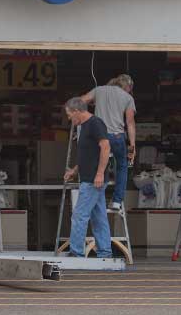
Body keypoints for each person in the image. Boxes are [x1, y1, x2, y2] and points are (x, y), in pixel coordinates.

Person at [63, 97, 113, 258]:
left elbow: (105, 147)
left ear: (77, 111)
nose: (69, 118)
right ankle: (104, 252)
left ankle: (76, 252)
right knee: (99, 217)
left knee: (79, 215)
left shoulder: (95, 124)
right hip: (90, 177)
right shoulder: (84, 126)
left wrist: (99, 173)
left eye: (70, 115)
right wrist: (75, 170)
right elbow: (88, 154)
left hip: (93, 179)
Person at [81, 74, 137, 210]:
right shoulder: (128, 98)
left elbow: (81, 101)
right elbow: (130, 123)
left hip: (100, 136)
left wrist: (84, 123)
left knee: (98, 165)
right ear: (128, 87)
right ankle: (117, 201)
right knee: (122, 166)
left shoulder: (99, 90)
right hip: (117, 137)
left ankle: (94, 199)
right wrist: (132, 146)